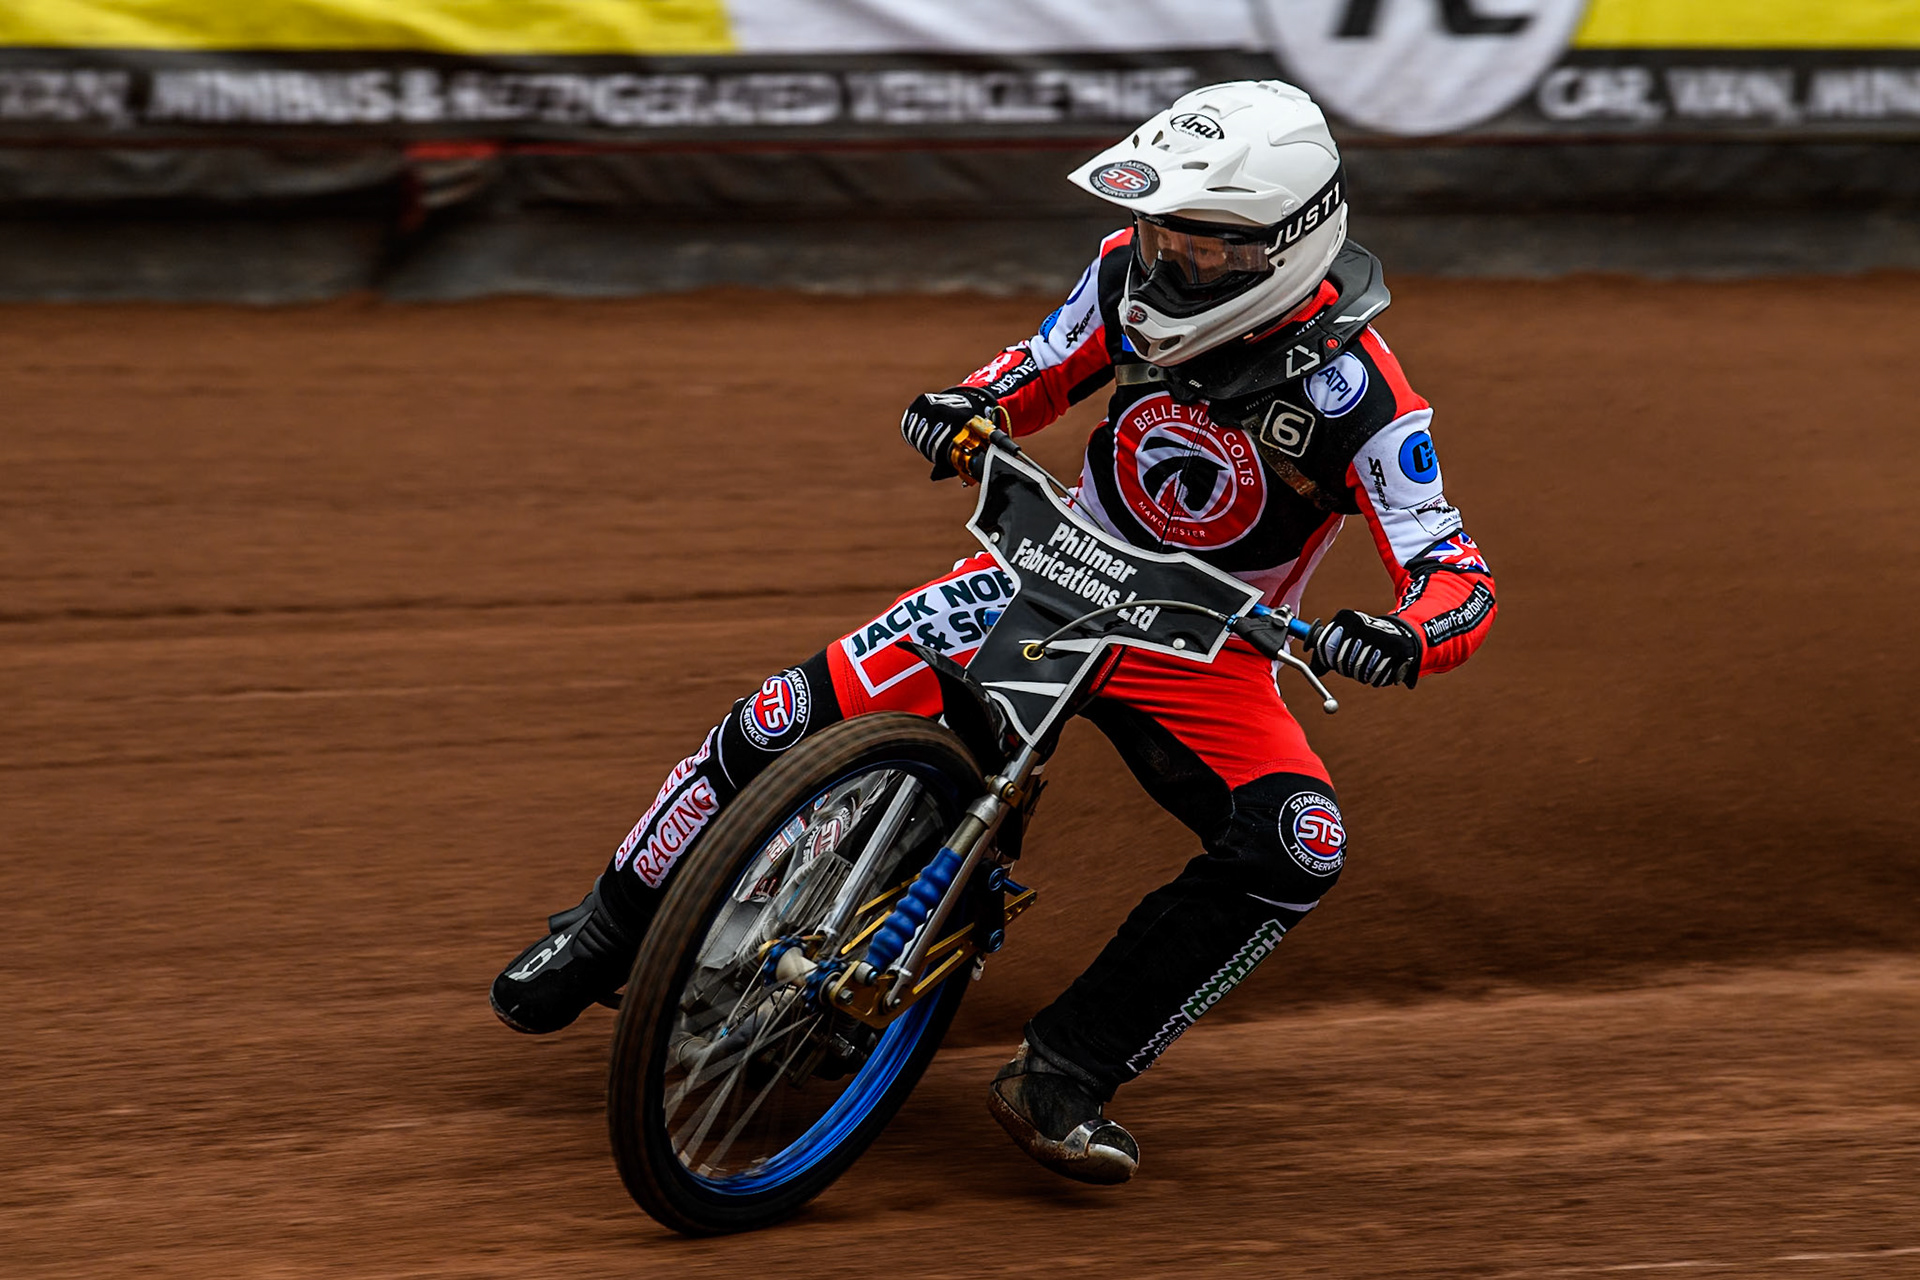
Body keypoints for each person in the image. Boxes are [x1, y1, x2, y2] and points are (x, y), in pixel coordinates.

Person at [490, 79, 1497, 1185]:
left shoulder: (1367, 396)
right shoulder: (1123, 269)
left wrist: (1403, 633)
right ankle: (604, 926)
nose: (1171, 263)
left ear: (1290, 246)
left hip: (1201, 648)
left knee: (1300, 841)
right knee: (784, 711)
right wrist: (970, 404)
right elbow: (1036, 370)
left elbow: (1456, 573)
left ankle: (1066, 1067)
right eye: (1164, 231)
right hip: (1049, 569)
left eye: (1205, 246)